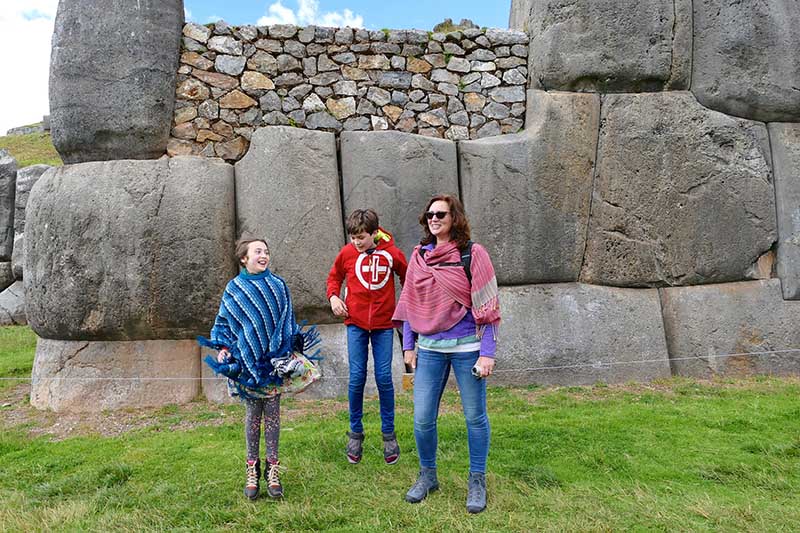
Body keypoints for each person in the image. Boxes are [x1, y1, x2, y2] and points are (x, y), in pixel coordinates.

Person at [392, 194, 500, 514]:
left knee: (474, 417)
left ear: (455, 217)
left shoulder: (473, 254)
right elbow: (411, 304)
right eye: (429, 215)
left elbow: (488, 306)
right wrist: (408, 347)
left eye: (441, 213)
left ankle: (477, 480)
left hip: (468, 349)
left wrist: (488, 353)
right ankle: (428, 476)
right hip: (429, 350)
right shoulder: (420, 257)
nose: (434, 219)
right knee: (422, 418)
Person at [199, 237, 319, 501]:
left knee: (273, 414)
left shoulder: (278, 286)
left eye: (266, 251)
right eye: (258, 252)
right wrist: (223, 347)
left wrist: (283, 349)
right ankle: (252, 469)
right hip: (246, 362)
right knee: (253, 415)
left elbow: (287, 319)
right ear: (244, 258)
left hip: (273, 362)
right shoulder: (234, 289)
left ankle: (273, 470)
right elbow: (224, 321)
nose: (264, 255)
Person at [327, 208, 408, 464]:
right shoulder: (348, 253)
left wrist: (407, 308)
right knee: (356, 377)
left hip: (384, 325)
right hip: (356, 324)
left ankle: (388, 435)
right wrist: (333, 297)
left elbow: (408, 277)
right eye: (353, 237)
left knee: (384, 377)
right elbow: (334, 277)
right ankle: (355, 433)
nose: (356, 243)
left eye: (361, 237)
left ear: (375, 233)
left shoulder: (392, 253)